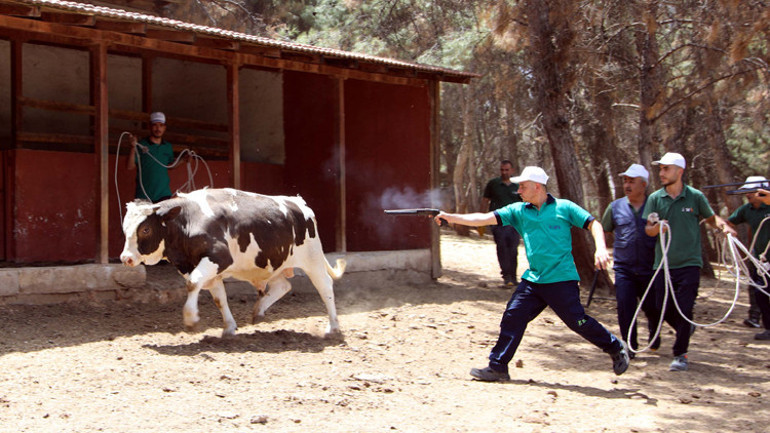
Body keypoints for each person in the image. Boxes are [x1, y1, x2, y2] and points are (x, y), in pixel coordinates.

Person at [436, 166, 629, 381]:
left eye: (523, 186)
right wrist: (450, 217)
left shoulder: (564, 208)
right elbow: (483, 218)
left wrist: (601, 248)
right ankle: (498, 367)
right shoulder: (518, 210)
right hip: (534, 280)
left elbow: (594, 224)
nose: (518, 190)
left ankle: (614, 346)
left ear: (537, 186)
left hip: (561, 279)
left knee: (577, 322)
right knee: (513, 315)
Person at [643, 152, 736, 371]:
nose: (661, 172)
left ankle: (680, 354)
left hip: (689, 264)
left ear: (680, 171)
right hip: (663, 265)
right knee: (660, 307)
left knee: (685, 307)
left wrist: (725, 229)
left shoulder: (695, 197)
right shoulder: (655, 198)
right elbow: (648, 229)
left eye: (666, 168)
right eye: (661, 169)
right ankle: (685, 328)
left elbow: (712, 219)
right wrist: (658, 228)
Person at [601, 164, 661, 357]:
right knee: (625, 306)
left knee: (652, 306)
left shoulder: (656, 207)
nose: (627, 185)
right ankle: (629, 345)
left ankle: (654, 333)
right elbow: (604, 229)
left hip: (650, 267)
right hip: (624, 267)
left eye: (631, 181)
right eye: (625, 181)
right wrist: (603, 250)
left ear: (643, 185)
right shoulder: (615, 207)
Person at [727, 176, 770, 340]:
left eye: (750, 191)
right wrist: (724, 229)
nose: (747, 195)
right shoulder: (747, 209)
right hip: (761, 260)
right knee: (761, 294)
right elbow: (729, 222)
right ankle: (768, 328)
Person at [481, 160, 523, 286]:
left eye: (507, 170)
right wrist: (482, 220)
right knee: (502, 247)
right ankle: (506, 276)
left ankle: (513, 276)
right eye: (502, 170)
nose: (504, 172)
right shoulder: (493, 184)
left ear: (512, 171)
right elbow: (485, 201)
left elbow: (525, 203)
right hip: (498, 222)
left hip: (515, 223)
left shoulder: (518, 185)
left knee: (513, 249)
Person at [126, 111, 175, 203]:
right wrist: (133, 147)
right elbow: (130, 166)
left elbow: (170, 165)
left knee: (165, 217)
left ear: (165, 128)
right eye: (155, 125)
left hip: (163, 194)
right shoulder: (141, 145)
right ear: (149, 127)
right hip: (143, 195)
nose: (158, 128)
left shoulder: (168, 147)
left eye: (161, 125)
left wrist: (184, 160)